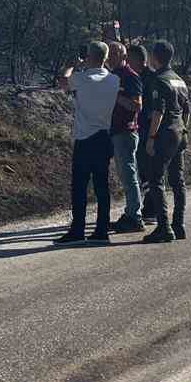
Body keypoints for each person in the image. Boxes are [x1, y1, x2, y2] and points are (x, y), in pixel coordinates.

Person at [54, 38, 119, 244]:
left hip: (85, 138)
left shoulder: (82, 78)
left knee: (80, 186)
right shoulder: (114, 80)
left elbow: (63, 83)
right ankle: (101, 229)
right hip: (104, 136)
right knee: (102, 186)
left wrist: (71, 65)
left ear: (88, 56)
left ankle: (78, 229)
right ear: (106, 58)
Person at [139, 40, 191, 244]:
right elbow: (187, 109)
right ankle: (179, 225)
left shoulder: (158, 80)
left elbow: (158, 112)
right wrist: (184, 127)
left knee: (155, 179)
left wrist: (151, 138)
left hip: (164, 135)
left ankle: (163, 227)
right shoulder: (179, 80)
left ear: (155, 57)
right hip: (180, 133)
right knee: (178, 181)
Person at [107, 32, 147, 233]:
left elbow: (137, 105)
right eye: (108, 54)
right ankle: (131, 212)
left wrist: (115, 96)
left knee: (129, 174)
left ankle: (135, 216)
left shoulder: (130, 76)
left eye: (114, 54)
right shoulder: (111, 76)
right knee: (125, 174)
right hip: (114, 131)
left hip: (126, 132)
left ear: (123, 56)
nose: (110, 57)